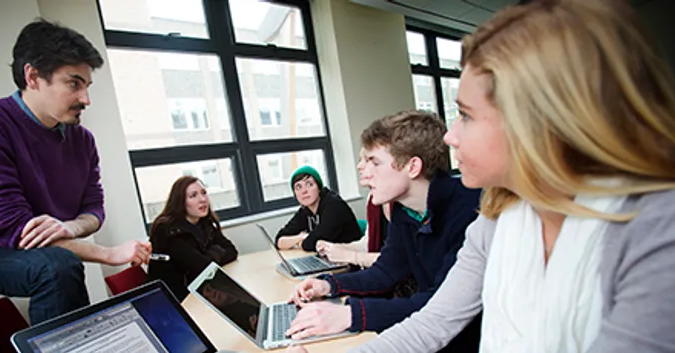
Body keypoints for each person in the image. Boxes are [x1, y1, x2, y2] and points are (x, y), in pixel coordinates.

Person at [293, 0, 675, 352]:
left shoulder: (656, 229)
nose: (450, 135)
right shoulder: (497, 217)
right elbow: (432, 324)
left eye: (467, 116)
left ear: (537, 122)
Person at [0, 19, 151, 325]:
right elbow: (14, 230)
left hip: (50, 251)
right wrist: (109, 254)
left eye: (87, 86)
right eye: (74, 84)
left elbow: (94, 209)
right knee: (57, 266)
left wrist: (69, 227)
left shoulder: (83, 140)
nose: (86, 99)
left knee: (58, 261)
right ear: (32, 76)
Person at [285, 111, 482, 351]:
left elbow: (442, 306)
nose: (363, 171)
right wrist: (328, 285)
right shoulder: (403, 210)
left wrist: (350, 315)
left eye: (374, 162)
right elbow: (385, 272)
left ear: (412, 166)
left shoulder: (470, 210)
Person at [148, 176, 238, 301]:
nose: (203, 199)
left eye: (204, 193)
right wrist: (216, 251)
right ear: (180, 202)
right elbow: (202, 268)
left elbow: (232, 251)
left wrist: (208, 255)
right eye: (193, 196)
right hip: (174, 299)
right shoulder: (167, 229)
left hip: (199, 289)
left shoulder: (204, 222)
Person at [275, 166, 361, 251]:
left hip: (352, 258)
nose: (304, 191)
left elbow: (314, 242)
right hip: (329, 258)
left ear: (319, 187)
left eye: (309, 184)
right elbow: (279, 240)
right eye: (298, 187)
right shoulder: (305, 210)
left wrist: (303, 242)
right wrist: (301, 237)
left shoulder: (334, 204)